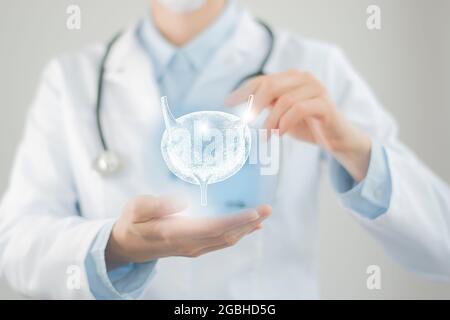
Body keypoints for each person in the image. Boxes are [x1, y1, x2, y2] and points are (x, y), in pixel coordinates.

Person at [0, 0, 449, 299]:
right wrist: (115, 246)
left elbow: (441, 247)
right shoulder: (72, 78)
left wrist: (353, 148)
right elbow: (14, 246)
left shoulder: (314, 66)